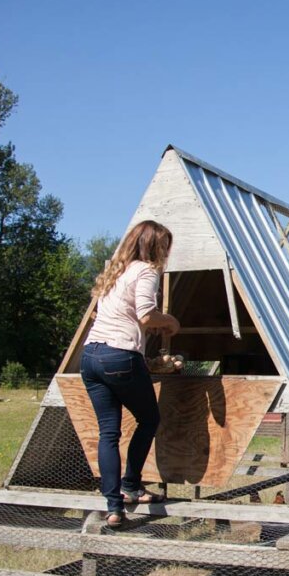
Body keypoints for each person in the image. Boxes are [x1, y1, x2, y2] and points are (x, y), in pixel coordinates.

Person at [81, 220, 180, 528]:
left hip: (91, 356)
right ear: (155, 246)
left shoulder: (117, 269)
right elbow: (146, 315)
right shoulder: (147, 271)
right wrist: (171, 322)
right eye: (165, 246)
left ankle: (114, 508)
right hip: (120, 356)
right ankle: (131, 486)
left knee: (108, 433)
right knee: (149, 419)